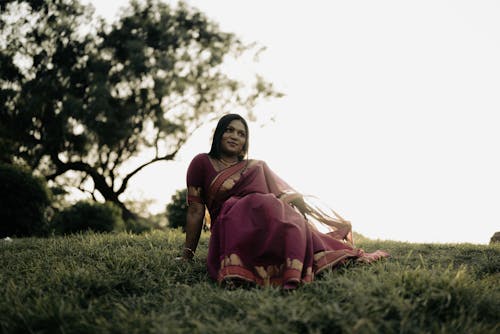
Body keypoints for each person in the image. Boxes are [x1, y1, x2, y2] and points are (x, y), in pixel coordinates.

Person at [182, 113, 388, 289]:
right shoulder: (201, 162)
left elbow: (277, 193)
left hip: (263, 220)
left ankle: (312, 257)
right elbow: (195, 211)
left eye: (241, 133)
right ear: (219, 133)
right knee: (256, 204)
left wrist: (296, 205)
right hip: (230, 226)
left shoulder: (255, 166)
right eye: (229, 130)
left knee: (280, 211)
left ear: (246, 141)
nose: (235, 136)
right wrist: (187, 255)